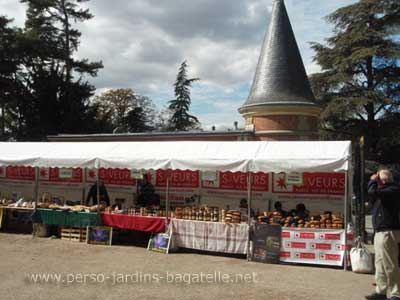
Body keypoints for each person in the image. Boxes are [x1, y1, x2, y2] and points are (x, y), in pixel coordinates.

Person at [365, 169, 400, 300]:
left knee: (390, 263)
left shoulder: (393, 189)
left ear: (383, 179)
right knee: (379, 263)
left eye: (378, 178)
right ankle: (381, 291)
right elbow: (372, 196)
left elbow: (372, 191)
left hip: (388, 231)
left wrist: (372, 181)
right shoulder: (382, 192)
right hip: (380, 231)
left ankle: (396, 293)